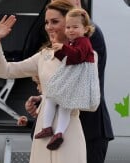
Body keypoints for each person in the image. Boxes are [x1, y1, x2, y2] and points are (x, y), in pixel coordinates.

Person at [25, 0, 114, 163]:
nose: (56, 1)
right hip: (60, 129)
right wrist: (43, 98)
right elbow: (58, 79)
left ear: (77, 0)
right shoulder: (58, 36)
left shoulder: (88, 35)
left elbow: (77, 81)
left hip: (87, 129)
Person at [0, 0, 87, 163]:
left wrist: (47, 97)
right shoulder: (44, 56)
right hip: (44, 131)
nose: (49, 27)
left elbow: (84, 97)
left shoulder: (85, 55)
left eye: (54, 22)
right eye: (47, 22)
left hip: (67, 131)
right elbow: (5, 71)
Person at [35, 8, 100, 151]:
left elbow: (77, 56)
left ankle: (52, 130)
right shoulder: (73, 42)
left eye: (75, 27)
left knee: (55, 100)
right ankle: (55, 131)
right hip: (72, 76)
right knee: (59, 103)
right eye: (68, 27)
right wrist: (58, 51)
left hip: (76, 78)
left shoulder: (83, 42)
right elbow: (67, 58)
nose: (71, 30)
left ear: (85, 29)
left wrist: (63, 48)